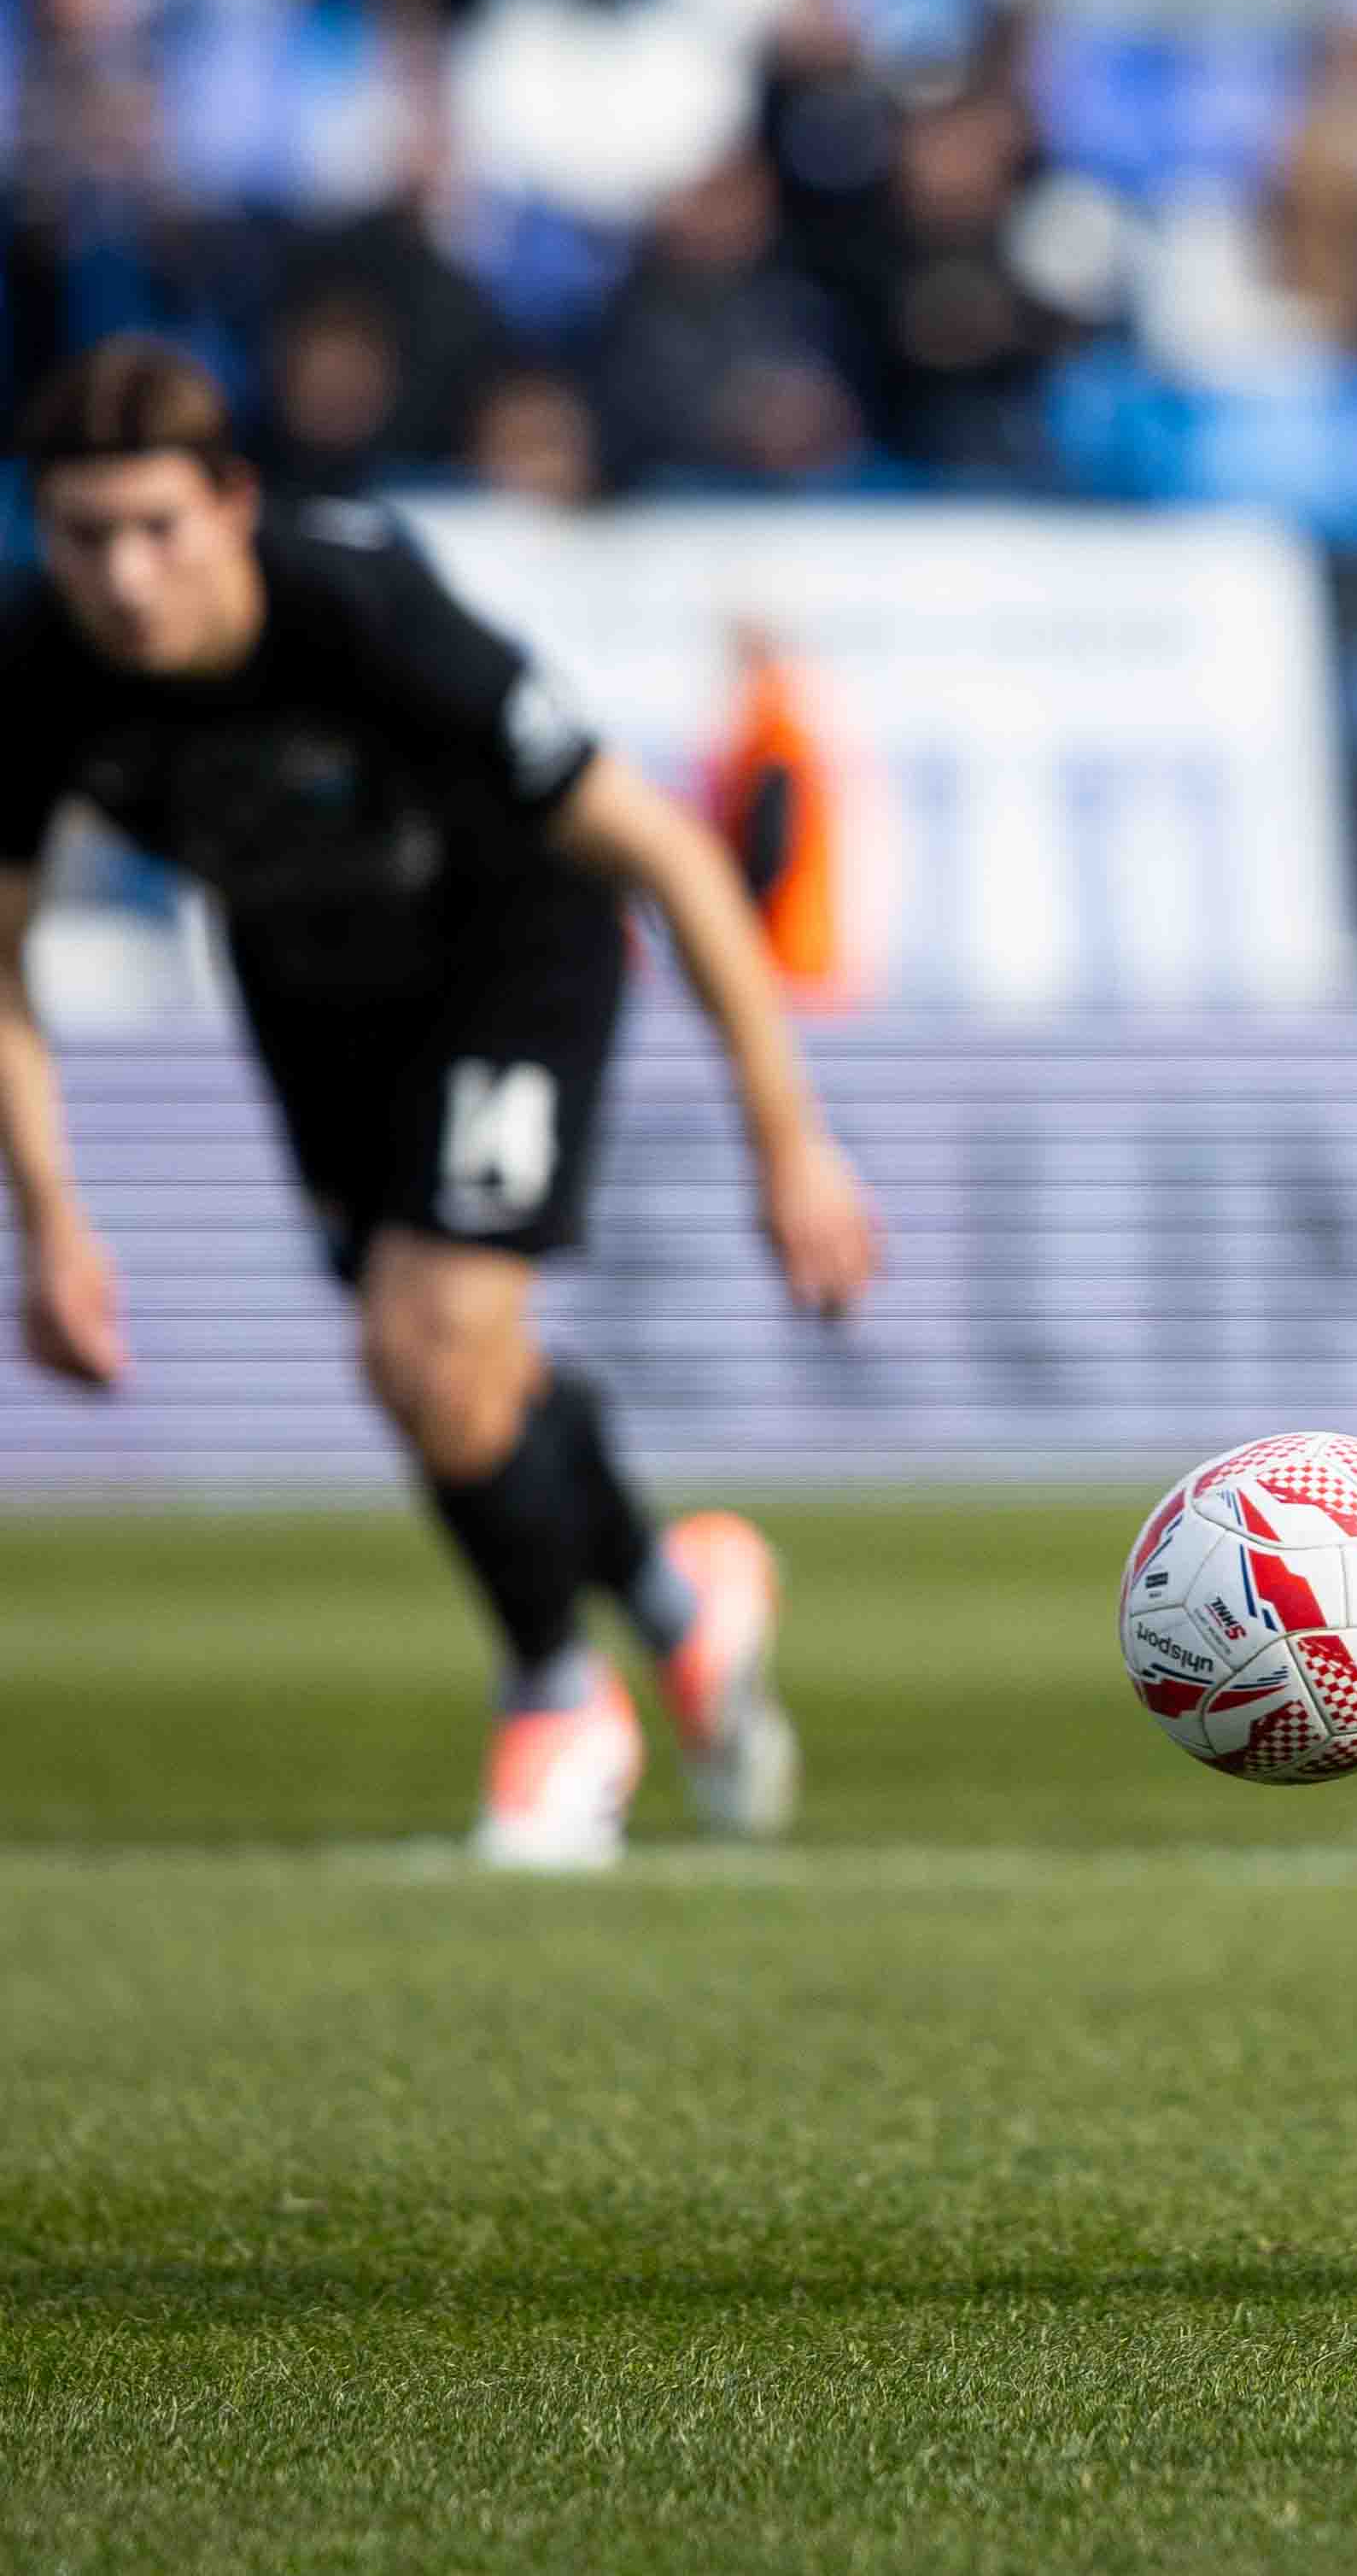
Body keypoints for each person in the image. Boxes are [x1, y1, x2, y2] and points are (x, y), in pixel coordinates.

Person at [0, 339, 882, 1869]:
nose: (127, 578)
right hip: (307, 991)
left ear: (232, 505)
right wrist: (52, 1222)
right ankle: (681, 1596)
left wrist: (788, 1139)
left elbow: (668, 855)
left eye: (158, 530)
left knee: (422, 1334)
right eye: (86, 538)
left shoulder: (363, 607)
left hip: (515, 953)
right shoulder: (36, 670)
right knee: (451, 1381)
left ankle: (559, 1696)